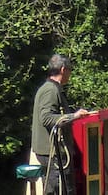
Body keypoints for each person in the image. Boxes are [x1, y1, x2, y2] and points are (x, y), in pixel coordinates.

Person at [31, 54, 90, 194]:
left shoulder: (50, 88)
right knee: (61, 190)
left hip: (52, 152)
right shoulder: (50, 90)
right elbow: (46, 118)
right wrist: (74, 116)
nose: (70, 74)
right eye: (70, 70)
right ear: (63, 69)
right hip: (53, 154)